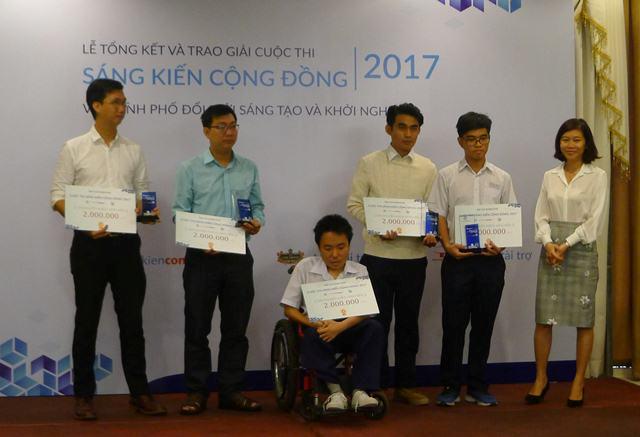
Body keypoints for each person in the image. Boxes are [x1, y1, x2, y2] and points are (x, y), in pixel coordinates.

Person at [50, 79, 166, 420]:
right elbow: (57, 196)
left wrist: (148, 211)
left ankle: (140, 393)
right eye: (116, 101)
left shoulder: (133, 149)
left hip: (126, 246)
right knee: (86, 321)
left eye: (124, 102)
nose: (122, 108)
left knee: (133, 322)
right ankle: (84, 396)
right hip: (89, 245)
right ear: (96, 105)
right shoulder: (74, 147)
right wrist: (83, 223)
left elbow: (143, 192)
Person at [173, 104, 265, 415]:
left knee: (236, 329)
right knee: (197, 328)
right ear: (206, 131)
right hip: (202, 259)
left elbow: (258, 206)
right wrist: (199, 240)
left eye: (233, 125)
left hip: (237, 256)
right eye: (222, 126)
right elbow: (179, 212)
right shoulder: (189, 168)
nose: (229, 132)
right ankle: (196, 393)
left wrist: (257, 222)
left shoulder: (249, 167)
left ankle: (231, 391)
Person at [347, 103, 438, 405]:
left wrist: (430, 233)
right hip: (377, 258)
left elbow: (432, 211)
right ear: (389, 129)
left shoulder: (428, 167)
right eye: (401, 127)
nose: (407, 134)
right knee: (376, 325)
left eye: (414, 128)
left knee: (409, 325)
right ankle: (375, 385)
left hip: (413, 259)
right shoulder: (369, 163)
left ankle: (406, 385)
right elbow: (354, 204)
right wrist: (376, 225)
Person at [429, 112, 517, 407]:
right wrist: (447, 245)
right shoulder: (447, 175)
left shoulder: (502, 177)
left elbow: (509, 217)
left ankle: (478, 385)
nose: (478, 145)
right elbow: (439, 214)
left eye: (483, 138)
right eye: (471, 139)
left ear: (489, 139)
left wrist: (501, 245)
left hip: (490, 262)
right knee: (453, 325)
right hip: (458, 259)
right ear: (460, 141)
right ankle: (450, 386)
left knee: (483, 325)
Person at [525, 118, 607, 407]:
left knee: (584, 321)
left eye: (576, 140)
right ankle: (541, 378)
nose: (570, 145)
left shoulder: (597, 176)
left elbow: (594, 221)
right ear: (558, 143)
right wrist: (549, 243)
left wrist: (566, 243)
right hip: (551, 251)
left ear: (586, 144)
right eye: (565, 139)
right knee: (543, 318)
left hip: (580, 249)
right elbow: (540, 215)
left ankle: (578, 380)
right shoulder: (550, 175)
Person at [281, 214, 385, 412]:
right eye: (328, 248)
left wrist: (340, 326)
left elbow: (366, 310)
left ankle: (360, 392)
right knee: (311, 335)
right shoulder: (305, 267)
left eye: (341, 247)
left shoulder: (360, 270)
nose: (335, 254)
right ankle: (335, 392)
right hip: (320, 328)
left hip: (350, 328)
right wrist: (313, 323)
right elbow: (289, 309)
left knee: (374, 328)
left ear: (349, 245)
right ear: (319, 247)